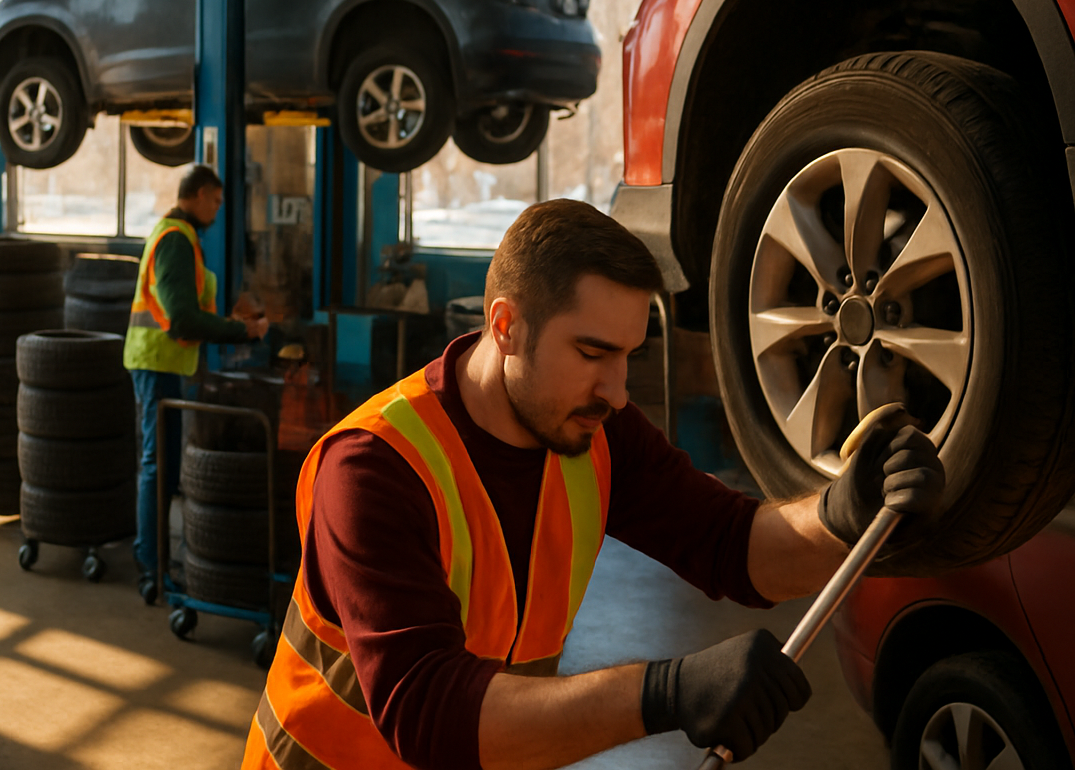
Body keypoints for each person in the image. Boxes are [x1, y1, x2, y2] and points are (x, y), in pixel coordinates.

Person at [242, 199, 945, 770]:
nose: (616, 389)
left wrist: (843, 513)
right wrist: (665, 693)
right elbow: (429, 715)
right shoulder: (374, 467)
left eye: (630, 356)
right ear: (507, 325)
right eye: (592, 353)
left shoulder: (594, 428)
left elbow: (732, 544)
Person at [124, 163, 268, 599]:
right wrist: (240, 330)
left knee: (163, 464)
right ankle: (152, 567)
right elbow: (182, 320)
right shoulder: (175, 240)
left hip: (166, 367)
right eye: (218, 201)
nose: (218, 210)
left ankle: (154, 557)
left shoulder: (184, 239)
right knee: (157, 465)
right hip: (157, 366)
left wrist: (228, 320)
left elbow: (187, 310)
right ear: (201, 194)